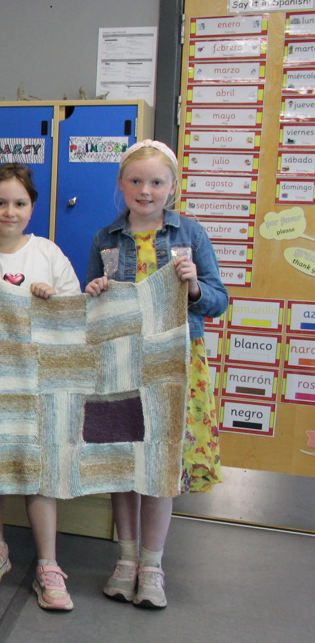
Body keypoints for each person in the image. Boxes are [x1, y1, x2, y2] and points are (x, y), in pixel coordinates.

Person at [84, 140, 228, 609]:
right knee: (124, 464)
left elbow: (218, 300)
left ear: (172, 187)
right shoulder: (106, 237)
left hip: (174, 364)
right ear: (121, 185)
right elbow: (91, 306)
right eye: (136, 181)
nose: (146, 190)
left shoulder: (191, 235)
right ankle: (125, 560)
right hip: (121, 362)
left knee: (160, 466)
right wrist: (96, 290)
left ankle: (153, 565)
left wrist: (190, 287)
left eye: (156, 182)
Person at [0, 164, 81, 610]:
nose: (10, 211)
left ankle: (48, 562)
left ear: (32, 208)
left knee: (37, 464)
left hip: (37, 379)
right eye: (0, 202)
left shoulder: (48, 254)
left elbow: (73, 318)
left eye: (19, 203)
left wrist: (50, 299)